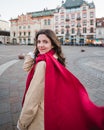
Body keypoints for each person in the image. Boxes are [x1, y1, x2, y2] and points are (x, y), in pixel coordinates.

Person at [17, 29, 104, 130]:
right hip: (51, 106)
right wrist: (33, 54)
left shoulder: (43, 63)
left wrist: (22, 123)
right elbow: (27, 68)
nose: (41, 45)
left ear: (52, 44)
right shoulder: (52, 57)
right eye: (38, 42)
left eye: (45, 42)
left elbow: (32, 98)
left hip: (41, 115)